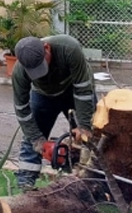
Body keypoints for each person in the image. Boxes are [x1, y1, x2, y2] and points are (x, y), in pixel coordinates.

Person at [11, 34, 96, 191]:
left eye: (41, 65)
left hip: (74, 90)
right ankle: (25, 184)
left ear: (47, 48)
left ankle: (94, 181)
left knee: (90, 137)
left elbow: (83, 89)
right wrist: (38, 140)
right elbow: (22, 109)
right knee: (31, 141)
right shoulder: (19, 72)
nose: (40, 72)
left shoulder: (69, 48)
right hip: (42, 94)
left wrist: (84, 125)